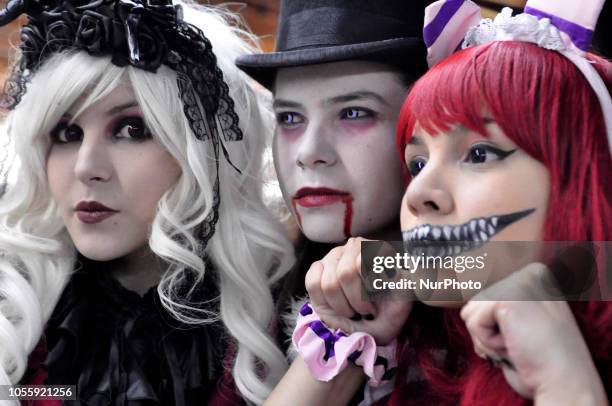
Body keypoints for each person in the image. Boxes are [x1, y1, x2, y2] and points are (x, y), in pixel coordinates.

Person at [272, 0, 612, 404]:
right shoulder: (416, 336)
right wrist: (348, 335)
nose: (416, 194)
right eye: (416, 164)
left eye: (479, 154)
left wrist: (566, 384)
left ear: (582, 169)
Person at [0, 0, 294, 404]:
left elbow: (412, 272)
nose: (87, 168)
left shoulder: (295, 279)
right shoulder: (16, 303)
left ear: (202, 153)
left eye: (131, 128)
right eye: (67, 134)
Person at [236, 0, 432, 350]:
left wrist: (396, 272)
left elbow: (557, 273)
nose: (308, 153)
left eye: (354, 113)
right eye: (290, 118)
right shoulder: (252, 293)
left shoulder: (493, 273)